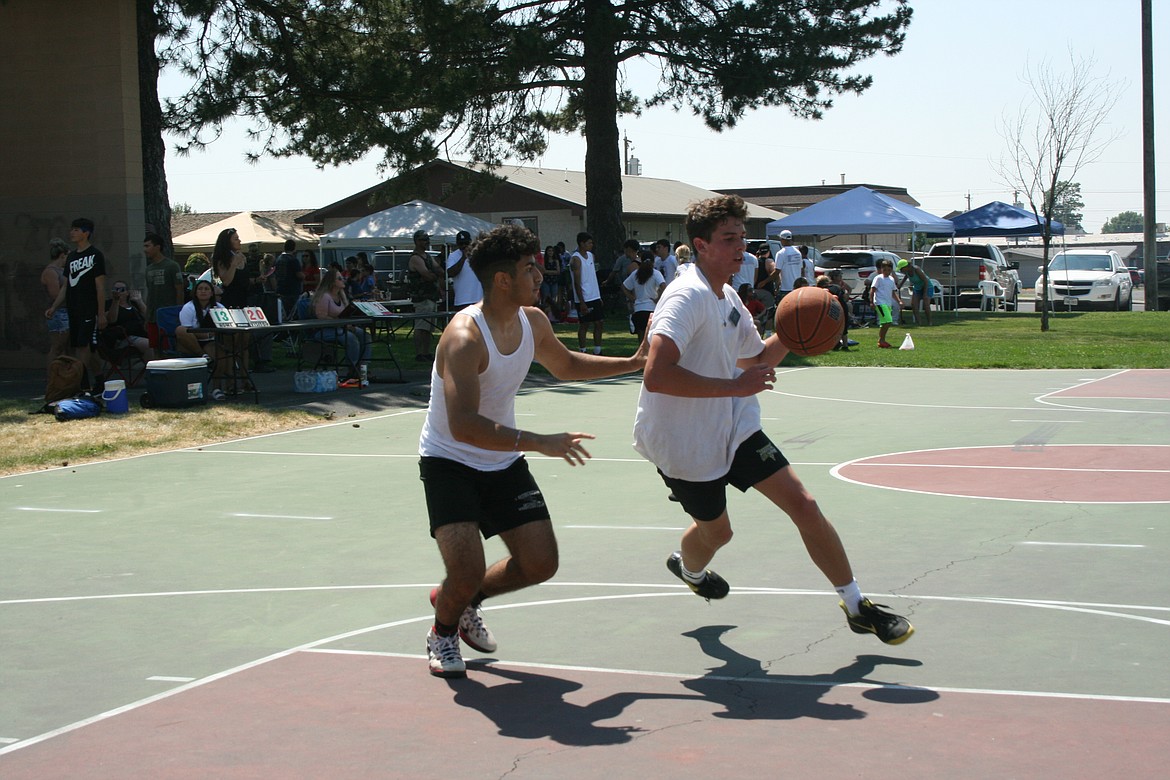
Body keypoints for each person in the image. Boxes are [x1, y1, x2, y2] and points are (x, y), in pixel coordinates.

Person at [633, 194, 913, 647]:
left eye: (742, 237)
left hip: (735, 425)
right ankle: (689, 568)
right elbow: (657, 373)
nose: (740, 248)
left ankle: (858, 605)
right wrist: (734, 387)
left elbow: (756, 356)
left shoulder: (726, 296)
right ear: (701, 245)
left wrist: (809, 318)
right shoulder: (686, 296)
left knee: (803, 504)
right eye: (728, 239)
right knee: (717, 532)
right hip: (683, 439)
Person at [419, 223, 648, 678]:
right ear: (503, 280)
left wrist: (632, 363)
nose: (541, 276)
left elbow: (564, 364)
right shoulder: (465, 338)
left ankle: (464, 600)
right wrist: (540, 442)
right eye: (530, 269)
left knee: (541, 563)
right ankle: (443, 631)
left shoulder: (533, 321)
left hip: (501, 460)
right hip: (450, 462)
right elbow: (463, 425)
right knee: (464, 570)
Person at [44, 218, 106, 387]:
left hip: (89, 308)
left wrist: (101, 314)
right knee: (86, 349)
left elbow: (100, 287)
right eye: (72, 229)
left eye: (76, 230)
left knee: (83, 346)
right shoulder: (71, 257)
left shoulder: (95, 255)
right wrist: (55, 306)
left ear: (86, 233)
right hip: (73, 308)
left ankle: (79, 383)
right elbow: (66, 285)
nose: (72, 232)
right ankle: (100, 381)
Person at [311, 269, 372, 380]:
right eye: (339, 278)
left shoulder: (342, 296)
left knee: (365, 335)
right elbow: (322, 316)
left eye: (342, 277)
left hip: (342, 327)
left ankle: (363, 367)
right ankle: (352, 368)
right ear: (332, 282)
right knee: (351, 339)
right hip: (326, 330)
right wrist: (341, 324)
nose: (343, 280)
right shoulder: (324, 296)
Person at [176, 278, 228, 400]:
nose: (203, 291)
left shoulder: (219, 307)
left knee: (221, 355)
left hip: (211, 341)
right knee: (180, 330)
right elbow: (187, 330)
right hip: (191, 342)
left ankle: (216, 388)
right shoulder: (188, 308)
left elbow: (226, 326)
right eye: (200, 289)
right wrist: (206, 334)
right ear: (195, 292)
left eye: (206, 289)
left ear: (211, 293)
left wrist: (209, 336)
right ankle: (203, 356)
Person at [407, 229, 444, 362]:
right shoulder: (416, 258)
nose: (427, 242)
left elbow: (439, 270)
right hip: (422, 297)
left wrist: (435, 273)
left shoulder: (427, 256)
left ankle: (426, 352)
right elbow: (427, 275)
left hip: (431, 296)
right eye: (424, 239)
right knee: (421, 326)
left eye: (427, 239)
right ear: (417, 241)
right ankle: (419, 354)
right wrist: (434, 274)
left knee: (428, 328)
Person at [142, 232, 184, 349]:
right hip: (152, 316)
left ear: (157, 247)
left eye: (147, 246)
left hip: (168, 314)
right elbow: (150, 293)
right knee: (155, 348)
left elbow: (179, 291)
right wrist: (147, 317)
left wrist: (178, 313)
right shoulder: (148, 269)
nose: (145, 250)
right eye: (144, 246)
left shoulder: (172, 266)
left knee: (169, 347)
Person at [569, 231, 604, 354]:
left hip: (594, 295)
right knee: (585, 324)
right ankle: (582, 350)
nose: (591, 245)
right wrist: (581, 301)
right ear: (582, 244)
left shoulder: (590, 256)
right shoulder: (576, 259)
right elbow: (577, 282)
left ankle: (597, 350)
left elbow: (592, 276)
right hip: (584, 298)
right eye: (589, 243)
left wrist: (598, 295)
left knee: (599, 322)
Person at [105, 280, 154, 363]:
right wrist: (116, 301)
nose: (118, 292)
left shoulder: (133, 305)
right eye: (115, 289)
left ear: (127, 293)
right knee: (150, 345)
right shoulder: (109, 304)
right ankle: (151, 373)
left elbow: (148, 317)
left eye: (122, 290)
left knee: (159, 342)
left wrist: (139, 301)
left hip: (141, 334)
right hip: (124, 338)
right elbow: (112, 320)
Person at [623, 250, 666, 344]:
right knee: (652, 338)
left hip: (638, 309)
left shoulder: (635, 274)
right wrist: (658, 299)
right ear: (653, 261)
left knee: (641, 340)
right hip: (652, 309)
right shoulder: (655, 273)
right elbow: (663, 286)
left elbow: (624, 287)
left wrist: (632, 298)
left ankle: (641, 357)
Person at [41, 238, 71, 368]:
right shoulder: (51, 271)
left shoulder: (62, 271)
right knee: (57, 346)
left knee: (65, 347)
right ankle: (51, 377)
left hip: (66, 311)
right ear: (63, 255)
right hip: (58, 313)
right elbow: (55, 294)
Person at [446, 229, 483, 310]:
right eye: (461, 244)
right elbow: (451, 273)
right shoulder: (453, 256)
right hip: (461, 300)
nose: (464, 246)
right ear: (457, 244)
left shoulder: (478, 254)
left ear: (470, 242)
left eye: (466, 243)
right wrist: (463, 257)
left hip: (478, 299)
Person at [869, 258, 897, 348]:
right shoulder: (878, 278)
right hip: (880, 302)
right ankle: (881, 340)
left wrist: (899, 301)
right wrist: (872, 302)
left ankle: (882, 340)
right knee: (888, 321)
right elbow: (872, 290)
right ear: (881, 269)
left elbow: (893, 292)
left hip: (888, 303)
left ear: (891, 270)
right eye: (884, 270)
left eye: (889, 270)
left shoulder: (891, 279)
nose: (886, 271)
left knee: (885, 323)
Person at [898, 258, 933, 326]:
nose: (900, 270)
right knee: (914, 305)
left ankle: (930, 322)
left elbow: (925, 281)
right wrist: (900, 285)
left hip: (927, 286)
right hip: (917, 288)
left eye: (901, 269)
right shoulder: (907, 272)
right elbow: (906, 277)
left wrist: (925, 293)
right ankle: (919, 323)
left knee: (926, 305)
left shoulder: (916, 269)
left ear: (905, 267)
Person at [274, 239, 303, 321]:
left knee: (283, 314)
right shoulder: (293, 260)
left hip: (280, 289)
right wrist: (304, 276)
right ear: (294, 248)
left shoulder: (278, 259)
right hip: (292, 291)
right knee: (292, 315)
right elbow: (299, 275)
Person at [824, 269, 852, 350]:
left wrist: (847, 295)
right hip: (836, 304)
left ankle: (843, 345)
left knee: (843, 326)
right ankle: (837, 343)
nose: (841, 277)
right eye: (840, 276)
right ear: (834, 277)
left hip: (841, 303)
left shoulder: (841, 283)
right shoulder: (831, 285)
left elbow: (849, 289)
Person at [774, 229, 803, 300]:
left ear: (782, 239)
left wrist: (764, 282)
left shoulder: (781, 253)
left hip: (786, 288)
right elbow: (801, 269)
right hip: (797, 287)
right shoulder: (798, 252)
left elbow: (777, 271)